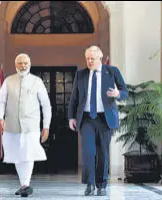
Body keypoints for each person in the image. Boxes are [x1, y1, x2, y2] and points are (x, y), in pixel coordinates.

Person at [68, 45, 128, 196]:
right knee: (88, 151)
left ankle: (102, 185)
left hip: (104, 118)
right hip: (87, 118)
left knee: (102, 152)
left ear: (100, 58)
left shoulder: (112, 71)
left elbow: (125, 92)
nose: (89, 61)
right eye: (87, 58)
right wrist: (71, 117)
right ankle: (89, 184)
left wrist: (117, 93)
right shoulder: (80, 74)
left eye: (92, 59)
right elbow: (74, 98)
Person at [0, 53, 52, 197]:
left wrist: (46, 126)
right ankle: (23, 184)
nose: (23, 65)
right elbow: (1, 102)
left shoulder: (37, 81)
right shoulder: (8, 81)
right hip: (12, 125)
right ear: (16, 65)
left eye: (25, 63)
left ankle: (26, 183)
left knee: (28, 153)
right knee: (17, 154)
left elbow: (46, 105)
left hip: (31, 125)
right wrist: (0, 118)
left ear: (30, 64)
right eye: (20, 63)